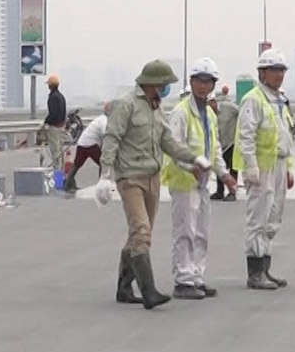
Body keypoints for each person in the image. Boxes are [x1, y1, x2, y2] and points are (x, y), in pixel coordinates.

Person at [96, 60, 210, 309]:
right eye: (164, 84)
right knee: (141, 231)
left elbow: (167, 141)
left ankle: (124, 288)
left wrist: (193, 158)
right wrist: (105, 175)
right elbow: (112, 138)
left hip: (152, 176)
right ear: (152, 83)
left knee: (139, 234)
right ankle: (149, 292)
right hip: (130, 177)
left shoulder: (156, 107)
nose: (166, 88)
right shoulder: (125, 105)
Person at [163, 58, 239, 299]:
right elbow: (174, 146)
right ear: (192, 82)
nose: (204, 86)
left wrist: (224, 174)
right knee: (185, 230)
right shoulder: (181, 112)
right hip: (184, 180)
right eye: (200, 81)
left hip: (203, 181)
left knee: (202, 231)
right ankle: (183, 279)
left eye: (209, 81)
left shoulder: (209, 113)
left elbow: (213, 146)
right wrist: (190, 166)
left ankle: (196, 275)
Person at [235, 48, 295, 290]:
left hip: (278, 163)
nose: (279, 75)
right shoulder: (253, 99)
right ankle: (255, 271)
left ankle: (265, 269)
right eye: (274, 70)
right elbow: (246, 135)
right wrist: (250, 166)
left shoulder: (279, 100)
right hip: (261, 166)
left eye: (281, 70)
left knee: (273, 218)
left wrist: (289, 167)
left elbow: (285, 135)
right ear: (262, 73)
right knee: (258, 219)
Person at [64, 102, 111, 193]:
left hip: (82, 143)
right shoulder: (104, 120)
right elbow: (105, 135)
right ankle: (101, 186)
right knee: (103, 162)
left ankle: (67, 185)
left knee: (76, 165)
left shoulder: (100, 118)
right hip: (91, 145)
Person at [209, 90, 240, 201]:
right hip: (220, 143)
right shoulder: (207, 113)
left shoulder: (228, 107)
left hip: (232, 142)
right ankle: (220, 191)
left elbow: (242, 112)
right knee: (219, 166)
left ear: (214, 101)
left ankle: (232, 193)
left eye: (209, 103)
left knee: (233, 167)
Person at [43, 75, 67, 172]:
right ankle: (61, 177)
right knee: (60, 152)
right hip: (61, 126)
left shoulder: (53, 97)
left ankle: (58, 180)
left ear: (50, 86)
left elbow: (53, 113)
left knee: (55, 153)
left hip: (54, 128)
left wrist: (46, 123)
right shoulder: (61, 96)